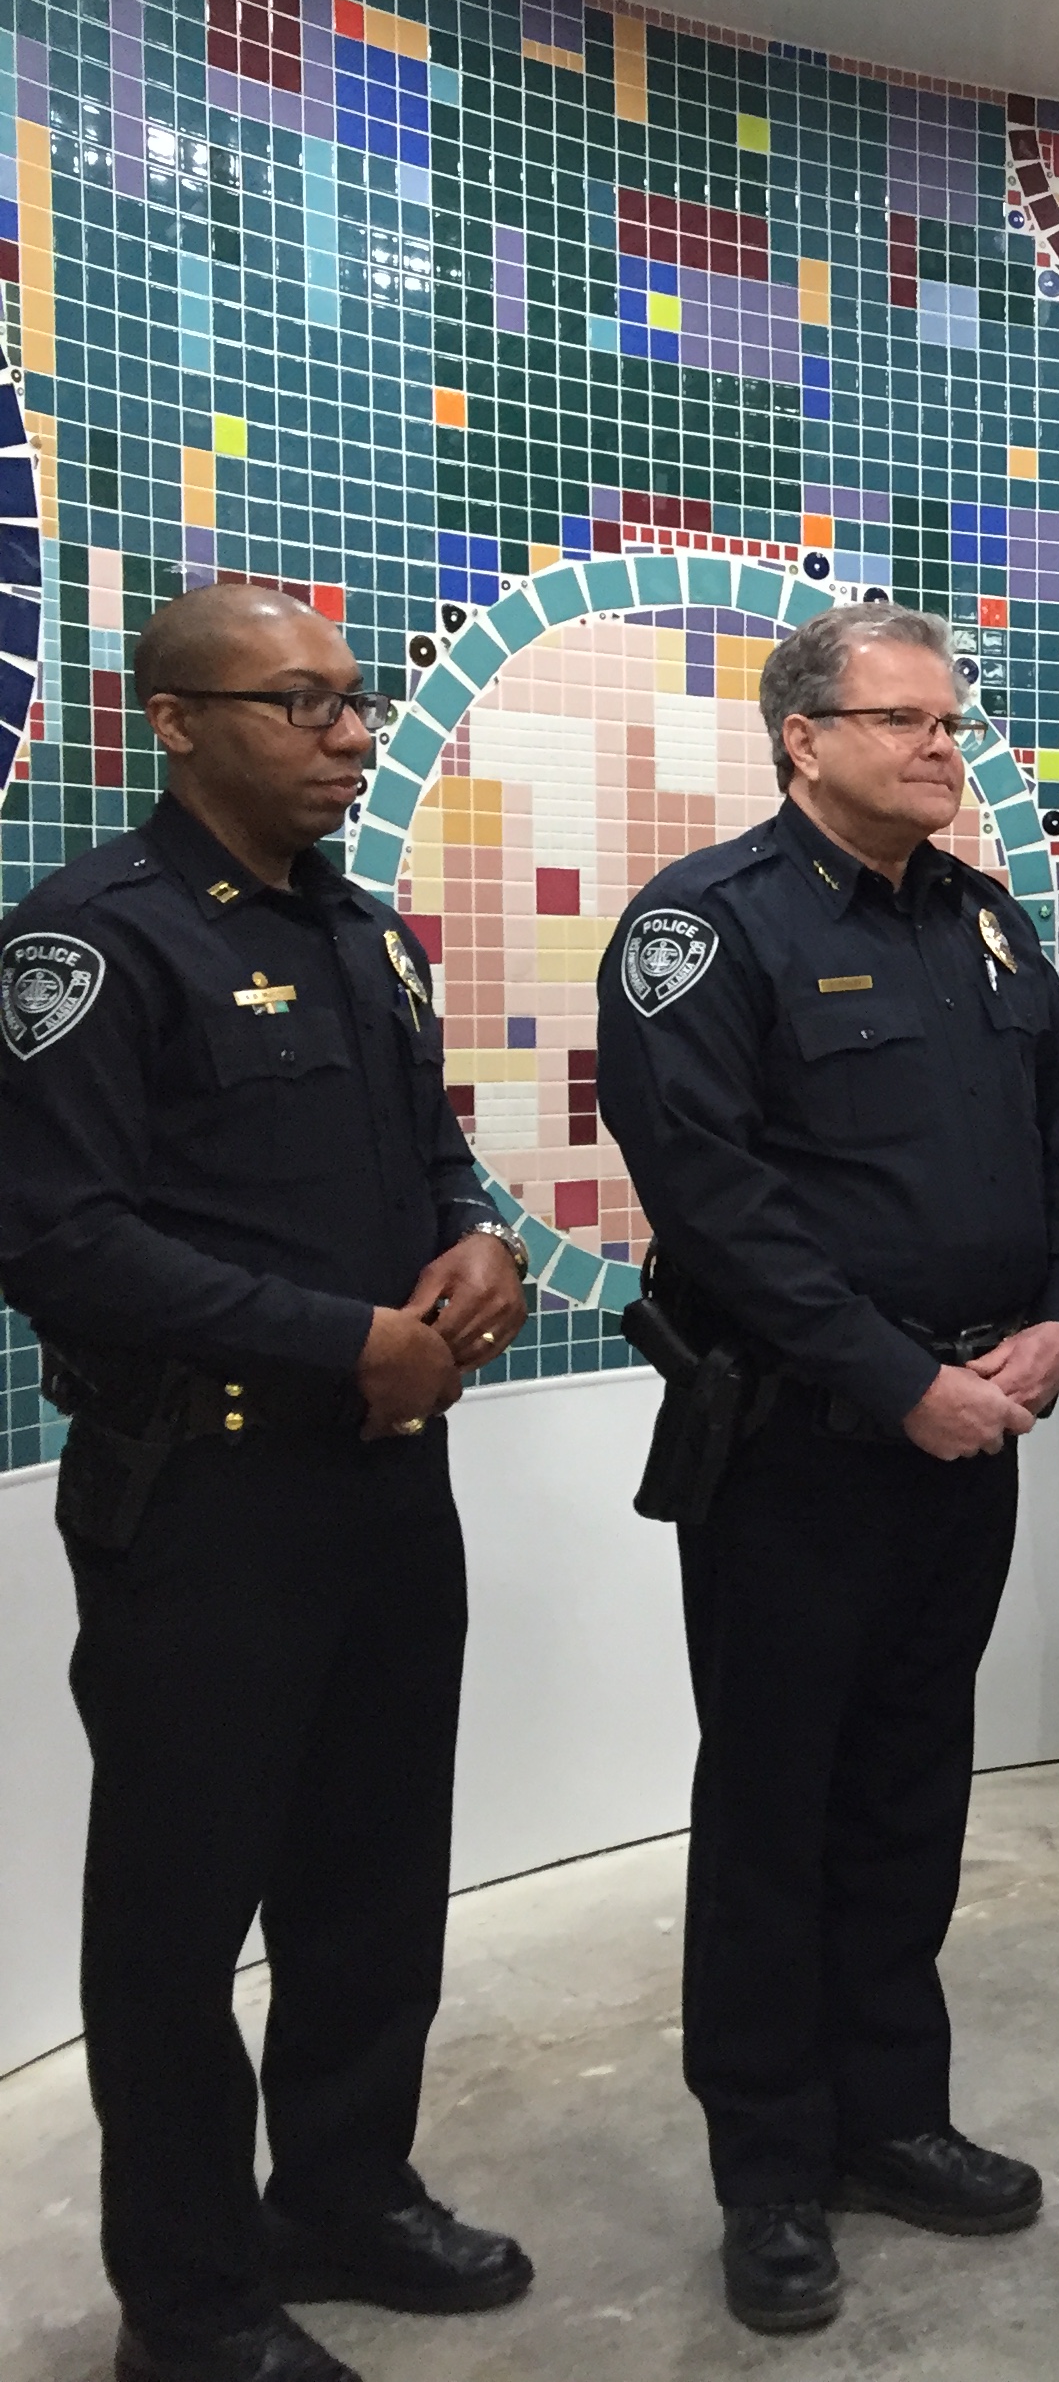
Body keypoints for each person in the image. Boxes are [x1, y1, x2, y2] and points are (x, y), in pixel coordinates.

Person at [0, 583, 533, 2382]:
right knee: (179, 1909)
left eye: (353, 699)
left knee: (372, 1878)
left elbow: (436, 1153)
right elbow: (58, 1238)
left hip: (385, 1485)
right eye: (297, 703)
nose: (350, 733)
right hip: (207, 1501)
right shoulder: (94, 942)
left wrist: (477, 1251)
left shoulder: (361, 933)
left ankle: (345, 2191)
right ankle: (192, 2296)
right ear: (172, 718)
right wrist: (337, 1338)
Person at [594, 602, 1059, 2336]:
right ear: (800, 737)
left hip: (977, 1422)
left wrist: (1058, 1320)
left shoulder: (982, 923)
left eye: (948, 724)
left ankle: (890, 2111)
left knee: (910, 1789)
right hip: (804, 1447)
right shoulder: (704, 931)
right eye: (902, 721)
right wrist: (900, 1380)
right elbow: (716, 1199)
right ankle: (769, 2169)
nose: (939, 747)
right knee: (775, 1809)